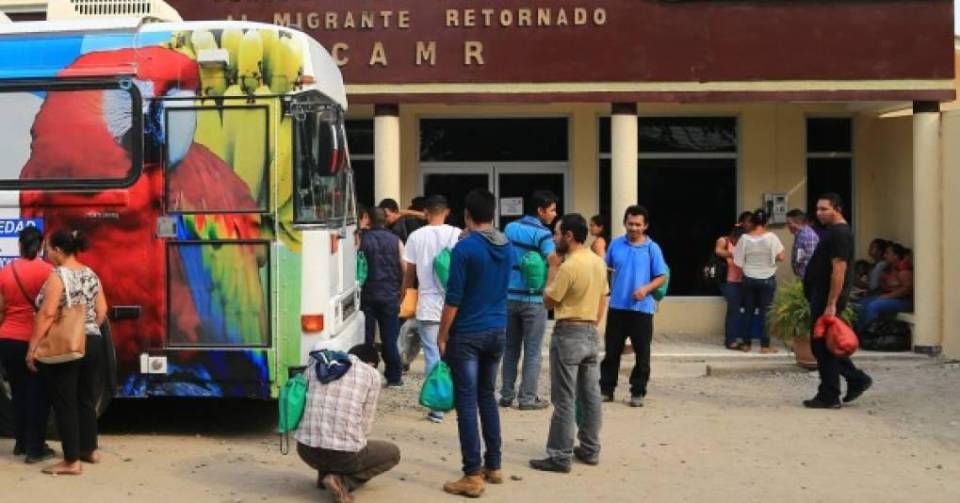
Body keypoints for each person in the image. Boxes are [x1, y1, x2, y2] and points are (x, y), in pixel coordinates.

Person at [438, 188, 512, 498]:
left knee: (467, 403)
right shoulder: (507, 246)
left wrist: (442, 335)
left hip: (468, 333)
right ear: (492, 214)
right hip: (498, 330)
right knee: (487, 396)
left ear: (467, 214)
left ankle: (472, 474)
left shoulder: (465, 249)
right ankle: (493, 466)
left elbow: (453, 298)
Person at [529, 214, 608, 473]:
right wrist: (594, 323)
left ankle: (560, 456)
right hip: (590, 331)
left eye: (557, 233)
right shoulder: (598, 262)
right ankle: (590, 448)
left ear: (569, 236)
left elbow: (549, 301)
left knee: (564, 398)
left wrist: (552, 267)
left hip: (568, 332)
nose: (554, 238)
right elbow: (603, 296)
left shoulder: (569, 266)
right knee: (590, 395)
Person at [26, 230, 108, 475]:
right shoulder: (90, 273)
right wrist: (87, 328)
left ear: (59, 251)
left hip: (69, 344)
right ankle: (89, 449)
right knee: (86, 398)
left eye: (48, 249)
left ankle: (71, 460)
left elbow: (48, 313)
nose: (47, 254)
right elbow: (102, 310)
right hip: (93, 340)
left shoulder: (58, 275)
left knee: (65, 401)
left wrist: (33, 346)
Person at [296, 344, 401, 503]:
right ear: (372, 363)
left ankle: (324, 477)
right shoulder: (371, 374)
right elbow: (365, 426)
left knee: (323, 427)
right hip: (344, 456)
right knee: (392, 453)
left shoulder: (317, 365)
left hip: (305, 450)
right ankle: (343, 482)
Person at [802, 193, 872, 409]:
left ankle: (830, 395)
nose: (819, 213)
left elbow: (839, 269)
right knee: (824, 345)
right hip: (821, 296)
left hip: (827, 298)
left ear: (838, 209)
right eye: (818, 209)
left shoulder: (840, 233)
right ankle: (856, 379)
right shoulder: (832, 231)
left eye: (825, 209)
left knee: (823, 346)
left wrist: (831, 303)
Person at [401, 195, 462, 423]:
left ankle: (437, 408)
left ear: (426, 213)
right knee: (457, 353)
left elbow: (409, 273)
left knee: (432, 355)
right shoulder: (458, 234)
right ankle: (458, 400)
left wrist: (404, 293)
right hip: (454, 303)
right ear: (446, 211)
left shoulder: (416, 236)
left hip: (427, 303)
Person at [600, 205, 667, 408]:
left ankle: (637, 392)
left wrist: (646, 289)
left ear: (645, 226)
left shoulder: (652, 248)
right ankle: (606, 390)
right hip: (617, 307)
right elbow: (606, 268)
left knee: (642, 354)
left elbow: (661, 276)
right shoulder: (615, 245)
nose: (634, 228)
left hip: (642, 309)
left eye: (638, 224)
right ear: (625, 223)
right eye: (630, 223)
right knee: (611, 351)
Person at [500, 189, 558, 411]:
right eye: (552, 210)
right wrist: (549, 289)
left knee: (510, 348)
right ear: (540, 211)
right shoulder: (543, 234)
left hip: (509, 297)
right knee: (532, 351)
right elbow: (552, 261)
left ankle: (506, 395)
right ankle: (527, 398)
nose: (554, 214)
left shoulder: (510, 228)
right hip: (533, 300)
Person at [0, 226, 54, 464]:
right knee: (38, 394)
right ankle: (35, 448)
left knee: (18, 393)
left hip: (7, 340)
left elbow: (1, 309)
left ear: (20, 245)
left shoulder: (6, 271)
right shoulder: (49, 272)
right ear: (40, 246)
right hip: (36, 341)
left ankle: (20, 442)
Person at [359, 208, 404, 387]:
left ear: (369, 219)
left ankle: (366, 376)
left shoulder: (362, 239)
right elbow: (404, 267)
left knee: (367, 338)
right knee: (389, 339)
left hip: (367, 294)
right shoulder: (396, 240)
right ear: (386, 220)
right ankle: (394, 377)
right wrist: (401, 290)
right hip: (390, 295)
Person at [733, 209, 785, 353]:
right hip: (767, 278)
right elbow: (781, 257)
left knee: (748, 311)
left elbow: (738, 260)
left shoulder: (744, 238)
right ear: (766, 222)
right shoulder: (772, 237)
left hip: (749, 278)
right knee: (765, 313)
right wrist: (770, 258)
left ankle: (746, 344)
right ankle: (765, 346)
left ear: (753, 222)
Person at [856, 242, 913, 333]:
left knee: (873, 306)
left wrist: (889, 296)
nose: (885, 256)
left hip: (903, 301)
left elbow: (907, 289)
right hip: (890, 297)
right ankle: (861, 333)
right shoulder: (888, 267)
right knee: (861, 303)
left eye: (888, 253)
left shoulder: (903, 270)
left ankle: (872, 333)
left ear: (896, 256)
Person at [715, 225, 746, 350]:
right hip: (728, 281)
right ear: (734, 236)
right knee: (734, 308)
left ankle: (743, 338)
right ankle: (730, 340)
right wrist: (734, 254)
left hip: (741, 280)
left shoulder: (744, 245)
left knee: (742, 308)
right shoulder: (724, 241)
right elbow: (718, 251)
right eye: (738, 240)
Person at [786, 209, 819, 279]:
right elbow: (801, 256)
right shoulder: (799, 234)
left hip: (808, 277)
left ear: (798, 222)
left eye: (789, 223)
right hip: (803, 276)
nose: (787, 226)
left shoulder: (808, 236)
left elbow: (811, 261)